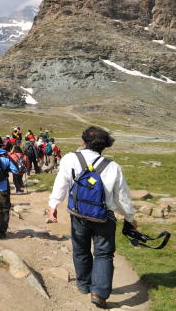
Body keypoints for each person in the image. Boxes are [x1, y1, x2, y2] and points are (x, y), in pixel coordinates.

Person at [47, 126, 137, 309]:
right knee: (103, 253)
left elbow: (61, 184)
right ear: (104, 146)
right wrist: (130, 218)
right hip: (104, 217)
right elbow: (122, 197)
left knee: (80, 249)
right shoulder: (113, 167)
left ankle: (83, 284)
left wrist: (53, 205)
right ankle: (99, 293)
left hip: (78, 213)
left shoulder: (70, 159)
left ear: (84, 141)